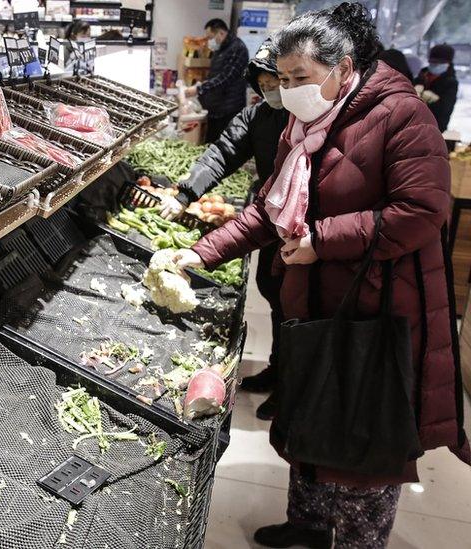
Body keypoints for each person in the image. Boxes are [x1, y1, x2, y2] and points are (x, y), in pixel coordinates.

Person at [174, 3, 470, 548]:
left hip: (378, 311)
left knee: (364, 439)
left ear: (343, 67)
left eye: (301, 78)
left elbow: (422, 212)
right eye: (282, 79)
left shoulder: (404, 117)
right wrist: (201, 252)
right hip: (312, 308)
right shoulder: (304, 122)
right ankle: (307, 525)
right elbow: (269, 209)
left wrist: (321, 241)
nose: (289, 90)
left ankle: (356, 540)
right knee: (310, 420)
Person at [160, 38, 289, 419]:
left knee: (296, 308)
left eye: (276, 83)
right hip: (270, 222)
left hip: (303, 229)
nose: (270, 90)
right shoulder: (260, 117)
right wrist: (185, 193)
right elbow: (223, 153)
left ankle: (291, 388)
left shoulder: (308, 121)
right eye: (263, 84)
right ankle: (277, 369)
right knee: (274, 293)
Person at [184, 18, 249, 143]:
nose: (209, 41)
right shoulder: (221, 48)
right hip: (216, 107)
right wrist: (202, 86)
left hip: (229, 109)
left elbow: (225, 78)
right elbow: (214, 75)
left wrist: (199, 89)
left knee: (223, 147)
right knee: (211, 143)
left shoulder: (237, 48)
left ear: (221, 33)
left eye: (210, 37)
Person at [414, 44, 459, 132]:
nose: (435, 65)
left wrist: (425, 100)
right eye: (433, 62)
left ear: (448, 63)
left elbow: (445, 109)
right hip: (412, 124)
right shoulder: (421, 76)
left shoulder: (451, 83)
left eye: (440, 63)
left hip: (435, 127)